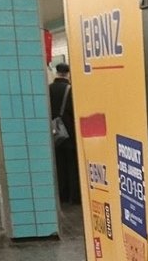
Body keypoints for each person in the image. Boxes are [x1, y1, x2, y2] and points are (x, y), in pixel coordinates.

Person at [49, 63, 80, 204]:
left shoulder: (48, 89)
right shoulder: (71, 90)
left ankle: (61, 194)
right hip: (70, 134)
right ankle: (73, 196)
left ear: (56, 72)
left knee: (59, 164)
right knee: (72, 165)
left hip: (54, 133)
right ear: (68, 73)